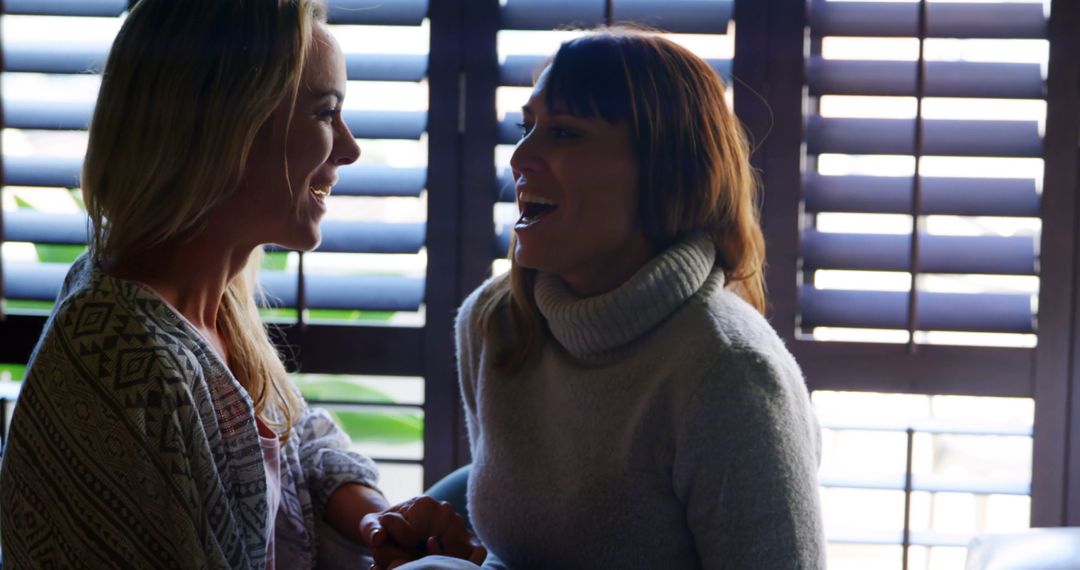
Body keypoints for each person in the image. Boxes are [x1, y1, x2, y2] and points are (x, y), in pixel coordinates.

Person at [0, 1, 481, 568]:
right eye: (326, 114)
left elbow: (304, 443)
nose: (349, 149)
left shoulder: (212, 303)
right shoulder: (123, 356)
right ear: (229, 125)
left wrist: (376, 520)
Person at [451, 28, 826, 568]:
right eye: (526, 127)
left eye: (565, 134)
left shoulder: (730, 374)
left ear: (664, 170)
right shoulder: (494, 322)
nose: (521, 157)